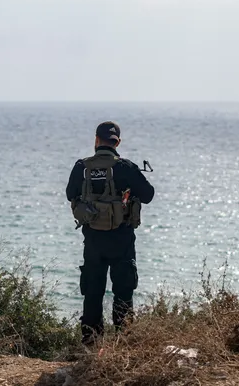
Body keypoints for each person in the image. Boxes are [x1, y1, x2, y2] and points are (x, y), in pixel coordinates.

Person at [66, 121, 155, 345]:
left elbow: (70, 194)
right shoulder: (126, 167)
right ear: (118, 142)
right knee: (123, 293)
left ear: (96, 140)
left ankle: (91, 344)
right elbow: (148, 195)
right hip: (122, 240)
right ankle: (122, 344)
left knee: (92, 293)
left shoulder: (81, 167)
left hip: (93, 241)